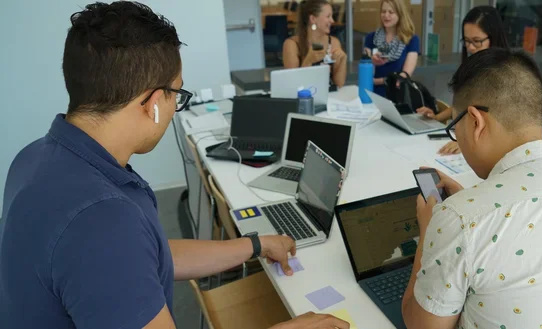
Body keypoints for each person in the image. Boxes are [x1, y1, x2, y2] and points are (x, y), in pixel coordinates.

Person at [0, 3, 348, 329]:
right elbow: (113, 247)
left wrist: (255, 246)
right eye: (176, 94)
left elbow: (144, 258)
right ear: (152, 102)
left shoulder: (35, 157)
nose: (173, 107)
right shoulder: (101, 219)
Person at [401, 48, 542, 329]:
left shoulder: (459, 219)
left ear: (475, 121)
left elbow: (421, 326)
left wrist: (430, 231)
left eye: (454, 126)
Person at [416, 5, 509, 155]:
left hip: (490, 147)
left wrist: (467, 141)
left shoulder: (506, 73)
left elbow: (500, 123)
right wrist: (436, 117)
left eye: (477, 41)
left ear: (494, 38)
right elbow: (465, 104)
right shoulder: (473, 64)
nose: (471, 47)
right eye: (466, 41)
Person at [283, 0, 347, 89]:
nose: (332, 20)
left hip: (329, 97)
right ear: (313, 19)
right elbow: (293, 84)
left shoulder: (334, 42)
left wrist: (343, 60)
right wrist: (308, 61)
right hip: (303, 97)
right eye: (328, 16)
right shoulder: (292, 44)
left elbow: (339, 84)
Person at [364, 0, 420, 97]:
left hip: (397, 96)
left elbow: (404, 76)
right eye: (383, 11)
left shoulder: (412, 40)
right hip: (372, 95)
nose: (386, 15)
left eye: (391, 12)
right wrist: (371, 61)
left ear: (400, 14)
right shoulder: (371, 38)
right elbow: (365, 75)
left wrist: (379, 81)